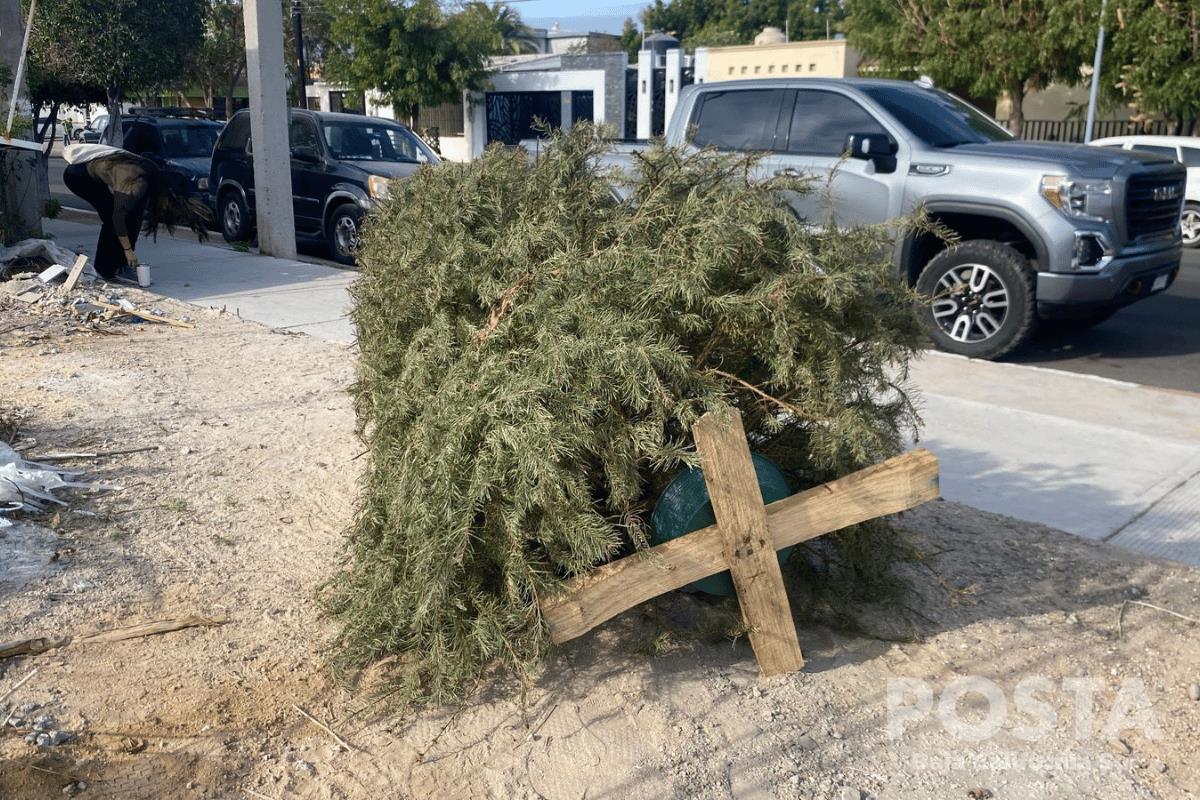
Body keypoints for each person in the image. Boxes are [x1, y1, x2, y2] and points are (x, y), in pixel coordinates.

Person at [62, 142, 211, 282]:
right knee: (111, 218)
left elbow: (135, 219)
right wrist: (128, 251)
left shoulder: (151, 173)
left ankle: (122, 265)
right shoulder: (135, 184)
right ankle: (105, 269)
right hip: (78, 176)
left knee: (133, 216)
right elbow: (118, 218)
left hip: (101, 173)